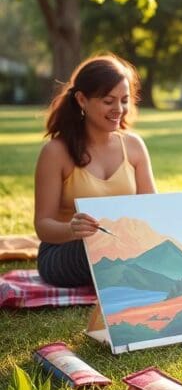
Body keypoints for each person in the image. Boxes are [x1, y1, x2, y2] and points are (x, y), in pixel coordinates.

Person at [34, 54, 158, 288]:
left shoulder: (134, 146)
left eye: (124, 100)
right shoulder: (55, 152)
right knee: (111, 251)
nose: (118, 109)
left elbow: (153, 210)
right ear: (82, 100)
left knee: (155, 248)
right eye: (108, 101)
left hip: (123, 245)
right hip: (66, 251)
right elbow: (43, 226)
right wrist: (72, 229)